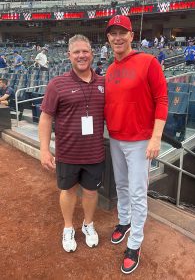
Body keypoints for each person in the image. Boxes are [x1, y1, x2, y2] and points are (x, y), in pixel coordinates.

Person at [105, 15, 168, 274]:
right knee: (121, 185)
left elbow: (162, 99)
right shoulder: (109, 69)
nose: (118, 37)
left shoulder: (148, 62)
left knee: (137, 192)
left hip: (141, 140)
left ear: (132, 36)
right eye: (113, 33)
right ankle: (124, 221)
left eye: (123, 32)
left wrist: (156, 136)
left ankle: (135, 244)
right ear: (108, 38)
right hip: (116, 138)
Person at [39, 34, 105, 253]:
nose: (81, 55)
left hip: (94, 152)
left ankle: (88, 224)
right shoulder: (57, 84)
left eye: (85, 51)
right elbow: (46, 118)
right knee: (67, 191)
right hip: (67, 153)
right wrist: (44, 149)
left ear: (92, 53)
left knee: (91, 193)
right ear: (69, 56)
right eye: (76, 52)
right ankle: (68, 227)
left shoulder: (103, 83)